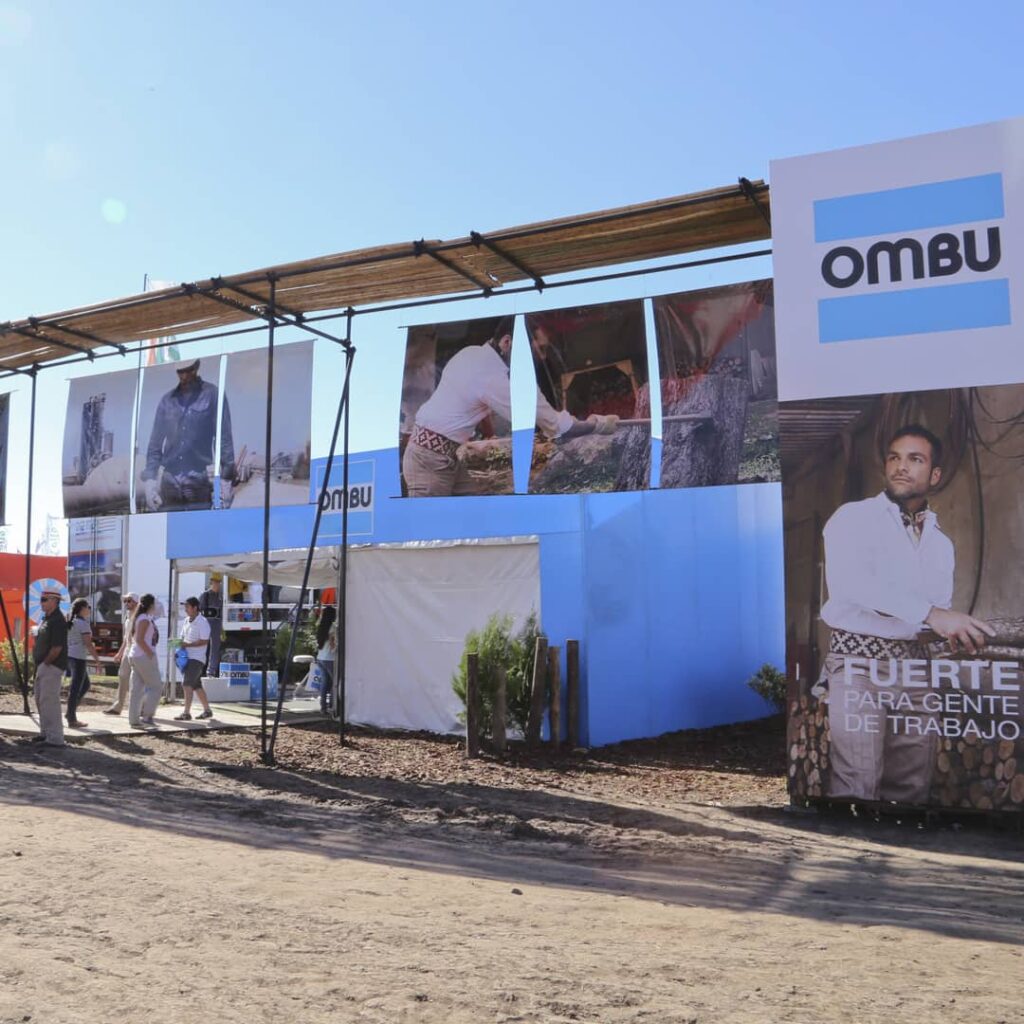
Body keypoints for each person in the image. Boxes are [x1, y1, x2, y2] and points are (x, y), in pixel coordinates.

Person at [820, 424, 995, 804]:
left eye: (915, 459)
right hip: (858, 665)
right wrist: (934, 614)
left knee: (911, 787)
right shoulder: (853, 517)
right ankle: (848, 844)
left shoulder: (941, 543)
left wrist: (951, 630)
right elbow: (852, 585)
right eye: (894, 458)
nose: (901, 466)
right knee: (857, 784)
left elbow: (932, 613)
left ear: (935, 475)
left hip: (915, 669)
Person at [401, 317, 619, 497]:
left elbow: (472, 401)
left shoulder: (471, 353)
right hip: (428, 460)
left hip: (441, 455)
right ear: (507, 342)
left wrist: (489, 434)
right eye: (535, 352)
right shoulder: (492, 376)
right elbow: (558, 427)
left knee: (474, 517)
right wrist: (598, 425)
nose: (540, 358)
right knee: (431, 531)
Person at [140, 358, 236, 511]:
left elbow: (224, 439)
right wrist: (150, 481)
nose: (184, 376)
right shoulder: (167, 401)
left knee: (199, 525)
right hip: (169, 480)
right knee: (170, 525)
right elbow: (155, 443)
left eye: (188, 370)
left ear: (196, 367)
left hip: (198, 479)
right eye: (180, 371)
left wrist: (225, 481)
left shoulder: (213, 395)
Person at [31, 588, 68, 747]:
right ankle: (45, 733)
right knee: (41, 700)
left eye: (44, 599)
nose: (41, 603)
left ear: (54, 600)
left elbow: (57, 647)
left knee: (49, 701)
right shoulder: (47, 618)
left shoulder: (58, 620)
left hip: (51, 666)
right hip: (44, 665)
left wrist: (46, 663)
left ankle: (55, 738)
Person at [174, 597, 214, 721]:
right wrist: (176, 643)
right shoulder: (186, 620)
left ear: (195, 608)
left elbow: (204, 641)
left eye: (187, 607)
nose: (185, 609)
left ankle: (186, 713)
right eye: (185, 607)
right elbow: (183, 638)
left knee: (186, 684)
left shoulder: (203, 622)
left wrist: (187, 645)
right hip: (186, 657)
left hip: (196, 659)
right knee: (196, 685)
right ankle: (207, 710)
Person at [127, 593, 163, 729]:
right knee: (156, 686)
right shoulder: (144, 619)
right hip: (143, 656)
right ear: (150, 605)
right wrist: (150, 654)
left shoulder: (141, 617)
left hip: (136, 655)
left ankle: (134, 720)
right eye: (154, 604)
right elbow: (140, 639)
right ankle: (147, 716)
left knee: (137, 689)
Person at [65, 598, 99, 729]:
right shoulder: (83, 624)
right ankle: (71, 718)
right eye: (88, 607)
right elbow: (88, 644)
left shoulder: (72, 621)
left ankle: (70, 712)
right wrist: (97, 659)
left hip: (70, 655)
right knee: (76, 687)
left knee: (85, 684)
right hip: (78, 657)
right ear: (82, 609)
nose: (89, 609)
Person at [103, 591, 138, 716]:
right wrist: (119, 653)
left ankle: (139, 707)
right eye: (125, 601)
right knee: (123, 676)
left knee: (136, 680)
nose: (126, 603)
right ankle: (118, 706)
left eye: (129, 600)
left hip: (137, 652)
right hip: (128, 650)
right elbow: (126, 638)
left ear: (136, 602)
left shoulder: (141, 617)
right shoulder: (127, 617)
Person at [199, 576, 224, 675]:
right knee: (202, 647)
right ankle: (200, 670)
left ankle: (211, 671)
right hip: (207, 622)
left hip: (217, 622)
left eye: (218, 583)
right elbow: (200, 609)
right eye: (215, 582)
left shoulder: (220, 595)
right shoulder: (205, 595)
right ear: (211, 583)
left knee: (215, 648)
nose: (217, 585)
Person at [315, 605, 337, 715]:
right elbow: (333, 645)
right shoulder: (332, 628)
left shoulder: (321, 626)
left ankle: (323, 707)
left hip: (320, 657)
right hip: (329, 658)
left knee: (324, 683)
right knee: (335, 682)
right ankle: (333, 706)